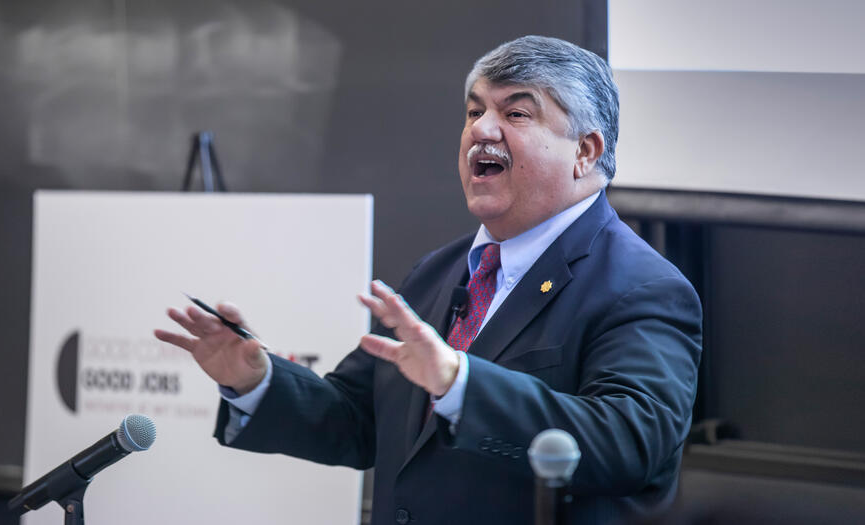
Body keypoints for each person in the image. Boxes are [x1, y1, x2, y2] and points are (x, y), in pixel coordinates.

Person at [155, 35, 702, 525]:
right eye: (473, 111)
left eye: (516, 114)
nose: (481, 130)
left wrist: (459, 382)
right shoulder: (439, 271)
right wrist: (258, 381)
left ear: (585, 151)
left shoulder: (642, 287)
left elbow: (633, 447)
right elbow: (359, 420)